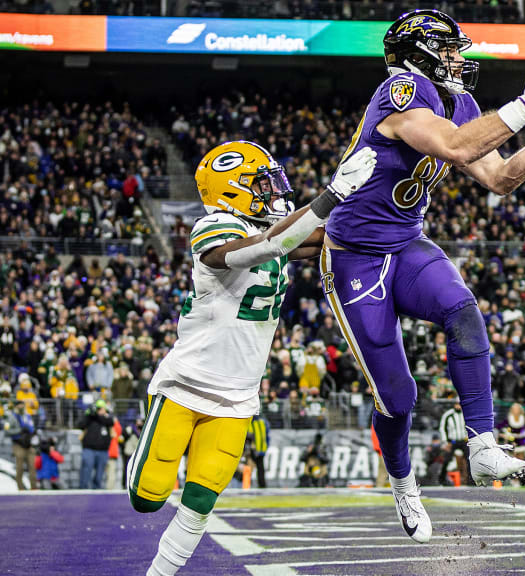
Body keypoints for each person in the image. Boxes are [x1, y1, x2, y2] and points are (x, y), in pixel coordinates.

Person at [318, 8, 525, 543]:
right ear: (417, 52)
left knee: (464, 311)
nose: (458, 58)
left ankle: (482, 447)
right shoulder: (398, 91)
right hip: (355, 256)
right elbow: (453, 147)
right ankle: (404, 485)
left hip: (405, 244)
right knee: (398, 397)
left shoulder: (462, 101)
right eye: (448, 49)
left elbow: (498, 177)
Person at [126, 139, 377, 576]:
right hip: (187, 384)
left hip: (238, 397)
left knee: (201, 502)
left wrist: (382, 206)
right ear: (232, 189)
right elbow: (256, 250)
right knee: (146, 498)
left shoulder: (275, 234)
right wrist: (330, 196)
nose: (274, 192)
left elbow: (327, 241)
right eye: (261, 184)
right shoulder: (214, 225)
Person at [77, 399, 114, 489]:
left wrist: (96, 415)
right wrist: (90, 414)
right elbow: (80, 425)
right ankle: (83, 490)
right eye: (98, 409)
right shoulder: (90, 417)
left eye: (101, 409)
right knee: (86, 472)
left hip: (103, 451)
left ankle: (97, 492)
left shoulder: (107, 418)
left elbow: (110, 422)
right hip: (89, 449)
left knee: (99, 475)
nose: (100, 411)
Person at [6, 400, 37, 490]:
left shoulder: (27, 416)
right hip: (19, 444)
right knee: (20, 468)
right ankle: (21, 488)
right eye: (19, 405)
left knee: (32, 467)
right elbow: (7, 430)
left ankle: (34, 488)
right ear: (16, 407)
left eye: (22, 405)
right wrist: (18, 431)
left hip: (29, 444)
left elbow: (32, 427)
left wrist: (31, 431)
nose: (21, 407)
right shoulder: (11, 417)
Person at [439, 402, 469, 486]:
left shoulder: (465, 413)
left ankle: (471, 480)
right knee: (447, 459)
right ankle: (442, 479)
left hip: (464, 440)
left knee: (469, 459)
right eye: (456, 404)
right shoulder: (448, 414)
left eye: (459, 404)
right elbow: (442, 428)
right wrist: (446, 442)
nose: (458, 406)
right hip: (452, 441)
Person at [247, 414, 270, 489]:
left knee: (252, 467)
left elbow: (248, 436)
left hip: (254, 449)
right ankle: (261, 485)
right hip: (260, 448)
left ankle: (247, 485)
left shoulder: (251, 422)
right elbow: (267, 436)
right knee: (260, 468)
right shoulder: (263, 422)